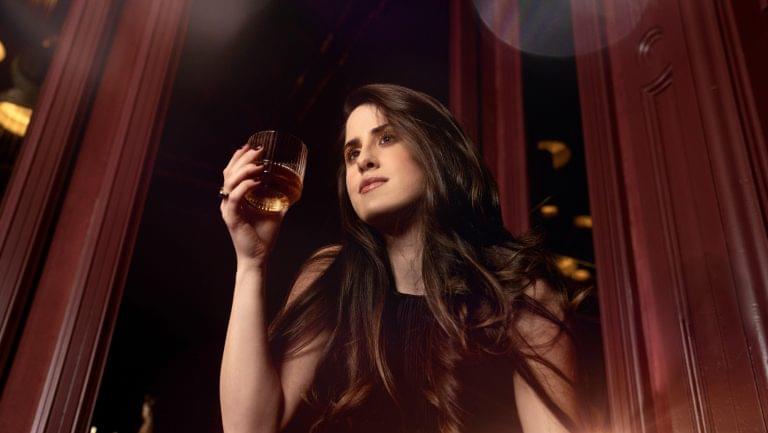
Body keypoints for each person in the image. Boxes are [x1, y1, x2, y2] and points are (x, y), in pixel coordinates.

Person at [218, 84, 587, 433]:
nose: (363, 161)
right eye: (352, 152)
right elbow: (248, 427)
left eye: (387, 137)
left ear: (436, 152)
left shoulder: (522, 295)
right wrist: (251, 264)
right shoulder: (332, 276)